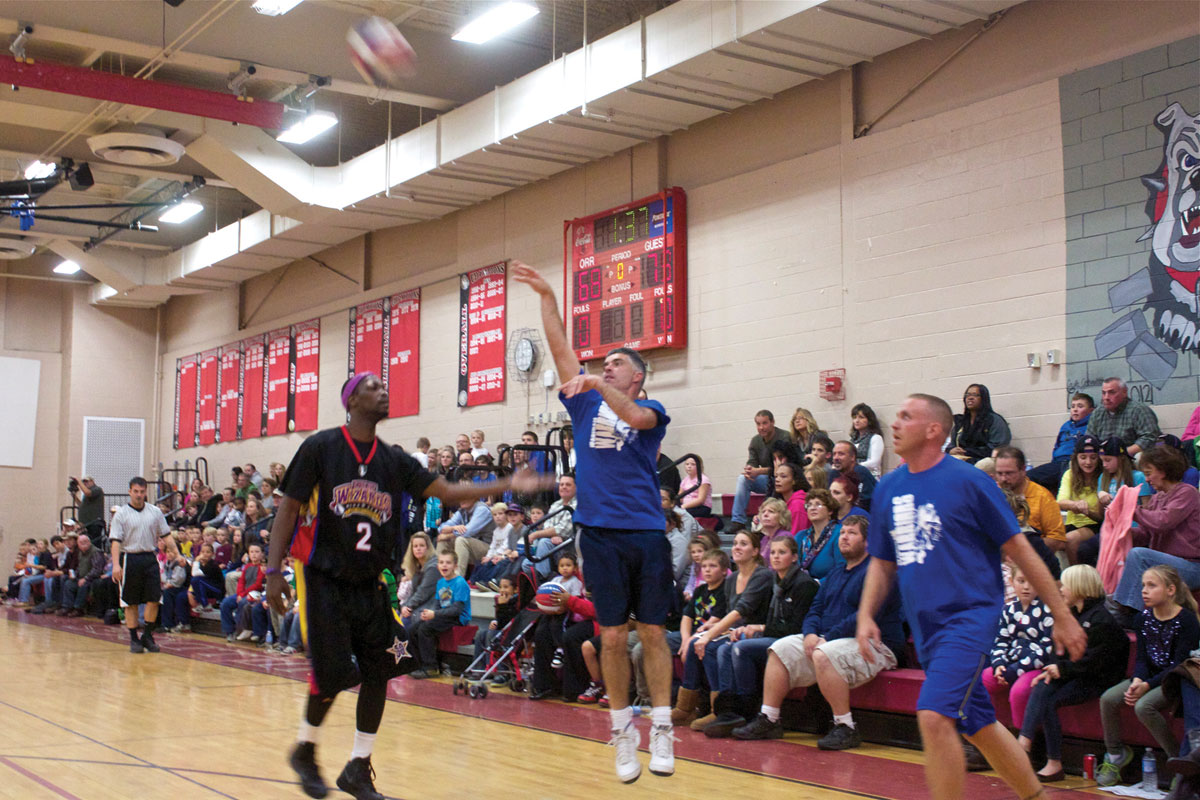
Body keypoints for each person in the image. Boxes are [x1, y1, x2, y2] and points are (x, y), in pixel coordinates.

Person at [264, 371, 547, 800]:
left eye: (384, 385)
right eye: (373, 387)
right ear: (352, 399)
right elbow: (287, 509)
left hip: (370, 581)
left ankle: (358, 767)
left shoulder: (393, 460)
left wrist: (507, 483)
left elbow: (450, 491)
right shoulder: (321, 447)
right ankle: (305, 749)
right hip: (325, 578)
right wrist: (270, 573)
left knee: (384, 665)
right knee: (336, 673)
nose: (384, 391)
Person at [856, 393, 1086, 800]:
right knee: (977, 723)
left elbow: (1020, 551)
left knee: (933, 716)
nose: (894, 423)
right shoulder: (888, 487)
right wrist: (865, 614)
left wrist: (1063, 615)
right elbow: (881, 562)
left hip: (968, 619)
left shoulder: (969, 481)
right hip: (926, 630)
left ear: (934, 430)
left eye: (906, 416)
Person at [513, 260, 678, 783]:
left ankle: (663, 726)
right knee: (610, 636)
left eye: (617, 364)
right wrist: (546, 297)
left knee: (652, 632)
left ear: (638, 376)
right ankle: (622, 731)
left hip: (647, 533)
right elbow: (561, 346)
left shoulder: (652, 410)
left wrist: (598, 384)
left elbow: (633, 417)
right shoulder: (584, 405)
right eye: (603, 363)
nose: (606, 368)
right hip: (600, 534)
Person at [734, 516, 905, 748]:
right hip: (829, 639)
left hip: (876, 643)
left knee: (824, 654)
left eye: (852, 533)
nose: (844, 537)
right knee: (779, 648)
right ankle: (770, 718)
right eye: (842, 532)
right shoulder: (836, 572)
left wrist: (827, 637)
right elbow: (816, 608)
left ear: (868, 542)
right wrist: (811, 633)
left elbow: (865, 615)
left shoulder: (879, 573)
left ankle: (846, 726)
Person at [1018, 565, 1128, 783]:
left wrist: (1062, 669)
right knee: (1043, 684)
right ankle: (1025, 743)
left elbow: (1095, 661)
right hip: (1077, 673)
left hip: (1099, 679)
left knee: (1050, 701)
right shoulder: (1070, 615)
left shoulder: (1101, 619)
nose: (1060, 590)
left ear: (1080, 588)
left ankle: (1048, 758)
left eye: (1065, 586)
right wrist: (1052, 668)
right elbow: (1057, 650)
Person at [701, 535, 819, 738]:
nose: (775, 557)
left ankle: (748, 710)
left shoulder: (803, 584)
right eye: (773, 552)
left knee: (741, 648)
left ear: (794, 557)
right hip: (775, 635)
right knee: (725, 647)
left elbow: (795, 627)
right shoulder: (776, 580)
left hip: (795, 639)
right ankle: (728, 710)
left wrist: (759, 628)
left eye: (782, 552)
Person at [1097, 565, 1200, 786]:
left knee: (1144, 706)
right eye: (1143, 585)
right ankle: (1116, 754)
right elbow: (1142, 659)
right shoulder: (1142, 619)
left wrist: (1147, 685)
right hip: (1149, 677)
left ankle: (1181, 763)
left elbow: (1178, 665)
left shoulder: (1187, 620)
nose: (1144, 590)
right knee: (1108, 698)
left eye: (1152, 586)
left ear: (1171, 590)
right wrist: (1136, 680)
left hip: (1175, 679)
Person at [675, 529, 773, 732]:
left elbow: (741, 611)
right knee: (694, 643)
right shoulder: (732, 578)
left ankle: (720, 709)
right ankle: (686, 708)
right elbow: (729, 613)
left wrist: (709, 635)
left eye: (743, 544)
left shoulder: (762, 575)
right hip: (735, 630)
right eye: (735, 543)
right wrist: (711, 626)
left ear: (755, 551)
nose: (736, 547)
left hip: (757, 630)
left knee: (712, 647)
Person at [1109, 445, 1200, 622]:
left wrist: (1130, 509)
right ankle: (1122, 605)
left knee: (1139, 556)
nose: (1147, 479)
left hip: (1192, 567)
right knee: (1131, 552)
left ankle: (1128, 612)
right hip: (1166, 565)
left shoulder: (1187, 493)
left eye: (1149, 473)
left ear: (1164, 471)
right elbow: (1145, 534)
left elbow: (1162, 522)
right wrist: (1122, 532)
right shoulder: (1157, 498)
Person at [980, 562, 1054, 735]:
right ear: (1012, 582)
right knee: (985, 679)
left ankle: (1024, 741)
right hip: (1011, 663)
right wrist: (999, 664)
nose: (1026, 586)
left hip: (1037, 666)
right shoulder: (1008, 609)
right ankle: (992, 734)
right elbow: (1001, 640)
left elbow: (1047, 649)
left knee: (1019, 691)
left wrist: (1017, 670)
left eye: (1031, 581)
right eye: (1021, 581)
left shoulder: (1047, 609)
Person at [110, 476, 178, 654]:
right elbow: (115, 541)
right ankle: (134, 638)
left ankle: (147, 635)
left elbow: (166, 535)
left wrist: (177, 554)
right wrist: (116, 565)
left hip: (149, 558)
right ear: (130, 492)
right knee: (130, 602)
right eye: (136, 492)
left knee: (154, 599)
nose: (139, 495)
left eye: (142, 491)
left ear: (146, 492)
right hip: (130, 559)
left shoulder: (155, 512)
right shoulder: (121, 514)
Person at [407, 550, 471, 679]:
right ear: (438, 566)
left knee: (425, 629)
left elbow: (456, 610)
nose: (444, 565)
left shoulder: (460, 583)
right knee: (413, 629)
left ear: (455, 566)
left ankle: (431, 667)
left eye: (448, 563)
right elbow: (437, 604)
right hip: (443, 615)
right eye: (441, 562)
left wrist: (434, 614)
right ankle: (419, 664)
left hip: (457, 618)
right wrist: (428, 614)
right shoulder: (440, 582)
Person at [993, 447, 1067, 554]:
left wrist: (1025, 545)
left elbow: (1058, 541)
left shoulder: (1042, 497)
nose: (1004, 479)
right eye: (999, 474)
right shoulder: (992, 495)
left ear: (1023, 470)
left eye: (1009, 473)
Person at [729, 410, 793, 526]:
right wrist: (749, 470)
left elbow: (785, 467)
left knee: (778, 475)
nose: (761, 427)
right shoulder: (755, 441)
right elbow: (752, 462)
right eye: (758, 424)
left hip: (784, 478)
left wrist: (759, 471)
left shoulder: (784, 437)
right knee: (743, 479)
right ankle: (738, 521)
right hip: (768, 479)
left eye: (765, 423)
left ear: (772, 422)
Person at [1028, 393, 1094, 491]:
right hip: (1057, 463)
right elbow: (1057, 446)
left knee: (1063, 484)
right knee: (1028, 477)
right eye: (1072, 406)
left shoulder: (1091, 425)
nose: (1075, 409)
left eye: (1080, 406)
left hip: (1073, 463)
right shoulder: (1066, 426)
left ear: (1090, 410)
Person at [1056, 435, 1104, 564]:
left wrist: (1086, 511)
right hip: (1072, 524)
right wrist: (1075, 504)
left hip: (1095, 524)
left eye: (1093, 457)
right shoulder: (1070, 474)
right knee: (1048, 540)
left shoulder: (1103, 476)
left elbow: (1102, 516)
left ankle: (1076, 580)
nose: (1088, 462)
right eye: (1083, 457)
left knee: (1071, 539)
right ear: (1076, 458)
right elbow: (1060, 502)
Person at [1086, 377, 1162, 458]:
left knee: (1139, 457)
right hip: (1104, 456)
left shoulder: (1139, 410)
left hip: (1130, 455)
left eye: (1111, 392)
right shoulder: (1097, 413)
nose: (1106, 397)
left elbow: (1150, 438)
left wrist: (1121, 453)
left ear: (1124, 392)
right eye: (1104, 393)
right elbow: (1090, 439)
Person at [945, 383, 1012, 464]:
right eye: (968, 395)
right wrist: (951, 450)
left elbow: (997, 448)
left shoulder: (994, 420)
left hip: (986, 461)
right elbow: (952, 444)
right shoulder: (961, 422)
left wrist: (967, 452)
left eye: (975, 395)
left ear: (983, 399)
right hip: (962, 459)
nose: (970, 398)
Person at [437, 498, 495, 577]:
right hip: (471, 547)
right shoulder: (462, 511)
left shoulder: (482, 509)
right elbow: (441, 528)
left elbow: (468, 532)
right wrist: (452, 528)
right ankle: (437, 576)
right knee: (443, 541)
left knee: (461, 540)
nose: (462, 499)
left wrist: (448, 535)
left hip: (489, 549)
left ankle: (457, 578)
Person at [797, 489, 843, 581]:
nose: (812, 508)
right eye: (809, 505)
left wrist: (818, 584)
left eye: (818, 504)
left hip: (829, 588)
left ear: (830, 510)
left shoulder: (839, 534)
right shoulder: (801, 536)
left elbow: (841, 570)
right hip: (801, 588)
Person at [62, 533, 105, 616]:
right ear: (78, 544)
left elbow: (97, 569)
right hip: (81, 577)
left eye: (85, 542)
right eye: (81, 543)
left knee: (83, 585)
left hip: (92, 578)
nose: (83, 544)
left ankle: (79, 608)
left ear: (89, 542)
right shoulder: (80, 553)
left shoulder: (96, 552)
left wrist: (86, 578)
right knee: (68, 583)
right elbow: (80, 566)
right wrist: (75, 575)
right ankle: (67, 606)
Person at [830, 441, 876, 511]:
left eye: (841, 454)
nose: (836, 457)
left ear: (852, 457)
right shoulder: (833, 474)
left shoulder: (861, 472)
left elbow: (864, 503)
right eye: (834, 454)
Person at [849, 403, 885, 478]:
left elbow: (875, 462)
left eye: (861, 417)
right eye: (854, 417)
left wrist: (853, 466)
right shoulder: (852, 440)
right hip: (854, 477)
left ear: (869, 420)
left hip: (870, 477)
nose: (857, 421)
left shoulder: (876, 438)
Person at [71, 476, 105, 544]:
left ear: (92, 481)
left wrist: (79, 481)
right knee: (86, 544)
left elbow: (87, 492)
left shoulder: (97, 489)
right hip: (86, 524)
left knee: (94, 544)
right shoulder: (87, 495)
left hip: (94, 523)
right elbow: (81, 505)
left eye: (87, 481)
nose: (85, 483)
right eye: (83, 482)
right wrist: (74, 496)